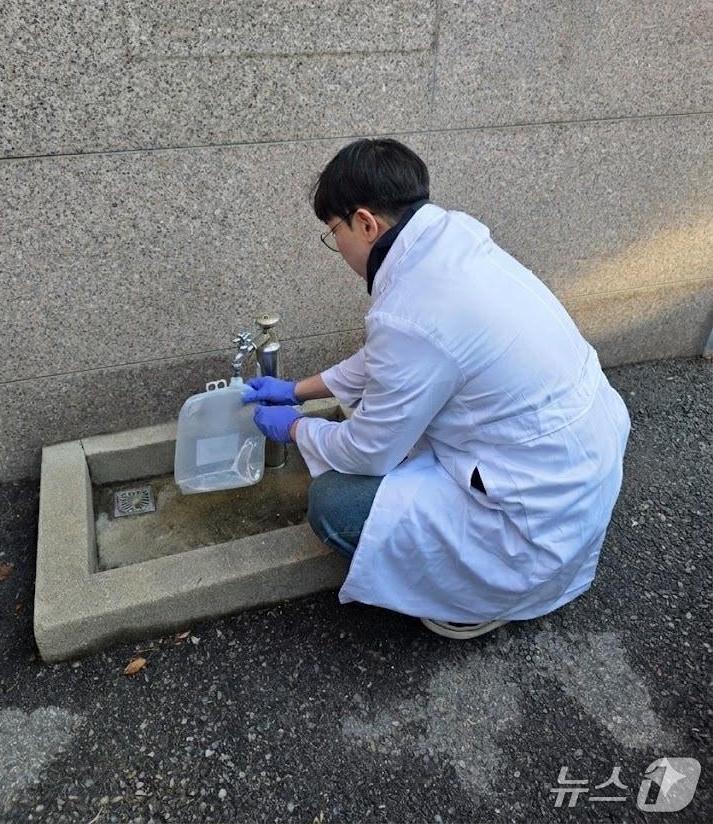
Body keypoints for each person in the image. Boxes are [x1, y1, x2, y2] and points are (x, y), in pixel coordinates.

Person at [242, 137, 631, 640]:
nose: (335, 246)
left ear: (365, 223)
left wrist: (295, 427)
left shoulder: (412, 305)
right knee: (400, 436)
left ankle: (473, 599)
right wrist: (297, 389)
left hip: (530, 522)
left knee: (333, 505)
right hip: (575, 468)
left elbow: (368, 451)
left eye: (332, 232)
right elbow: (395, 356)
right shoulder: (452, 241)